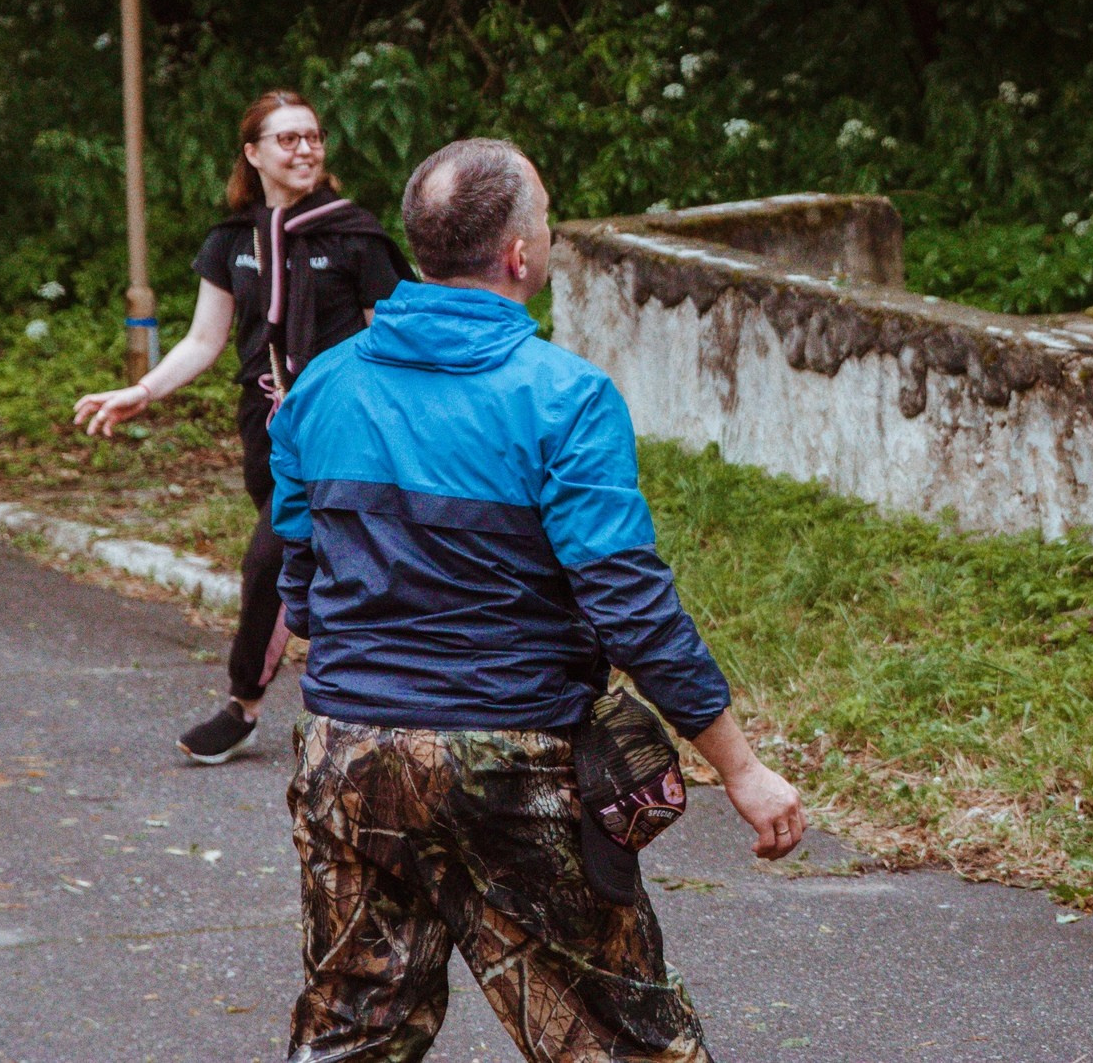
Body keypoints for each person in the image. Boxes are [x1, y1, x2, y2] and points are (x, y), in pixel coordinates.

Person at [272, 137, 803, 1063]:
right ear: (519, 254)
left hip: (346, 753)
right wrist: (742, 768)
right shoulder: (566, 397)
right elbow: (630, 604)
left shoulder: (322, 383)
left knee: (350, 1038)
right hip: (508, 758)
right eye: (547, 219)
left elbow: (301, 576)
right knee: (625, 1044)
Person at [74, 89, 410, 765]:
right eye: (288, 139)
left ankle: (244, 706)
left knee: (271, 559)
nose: (305, 149)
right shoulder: (232, 242)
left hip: (340, 430)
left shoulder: (356, 237)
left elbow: (391, 343)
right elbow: (205, 340)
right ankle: (370, 703)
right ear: (253, 153)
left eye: (313, 136)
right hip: (265, 426)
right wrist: (143, 391)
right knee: (308, 564)